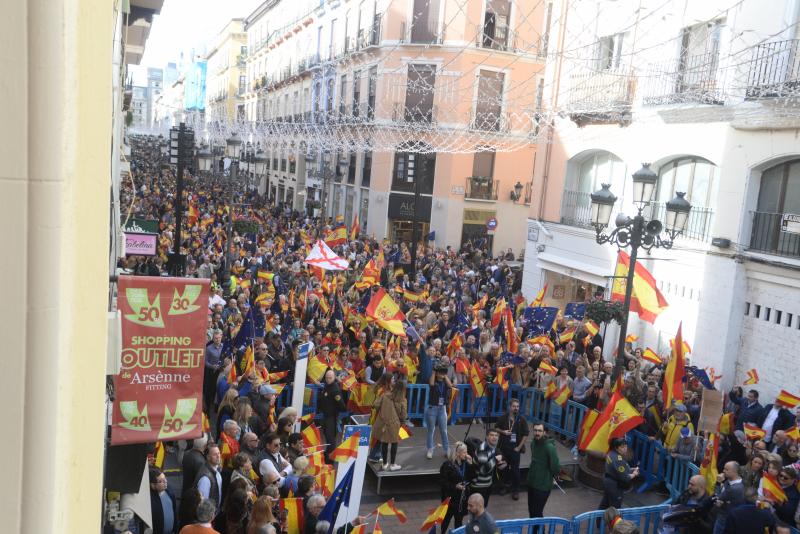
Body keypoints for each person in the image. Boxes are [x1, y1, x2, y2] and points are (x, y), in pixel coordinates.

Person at [527, 423, 560, 527]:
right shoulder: (533, 443)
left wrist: (551, 477)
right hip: (532, 483)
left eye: (539, 431)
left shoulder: (549, 447)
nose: (537, 433)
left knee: (537, 513)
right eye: (535, 430)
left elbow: (555, 467)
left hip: (543, 486)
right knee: (532, 512)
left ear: (544, 432)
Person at [496, 397, 529, 499]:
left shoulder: (521, 419)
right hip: (504, 449)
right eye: (514, 406)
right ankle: (504, 487)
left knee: (515, 471)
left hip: (515, 449)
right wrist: (503, 432)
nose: (516, 408)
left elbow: (526, 434)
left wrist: (519, 448)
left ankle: (516, 490)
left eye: (517, 406)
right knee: (503, 469)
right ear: (509, 407)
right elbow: (496, 427)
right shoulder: (503, 417)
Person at [371, 379, 407, 471]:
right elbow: (403, 415)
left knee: (384, 443)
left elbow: (375, 404)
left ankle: (384, 463)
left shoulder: (385, 395)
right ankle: (393, 464)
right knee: (394, 443)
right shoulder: (403, 400)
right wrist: (403, 423)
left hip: (383, 423)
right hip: (395, 424)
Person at [440, 442, 474, 533]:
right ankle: (442, 532)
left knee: (459, 520)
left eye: (467, 452)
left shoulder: (466, 463)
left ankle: (457, 532)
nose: (466, 455)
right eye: (464, 452)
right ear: (458, 453)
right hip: (450, 499)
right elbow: (443, 482)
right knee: (446, 519)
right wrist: (455, 486)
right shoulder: (448, 465)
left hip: (461, 499)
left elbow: (472, 477)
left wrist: (471, 464)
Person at [599, 438, 639, 511]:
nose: (625, 449)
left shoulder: (611, 453)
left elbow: (619, 469)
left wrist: (631, 469)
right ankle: (612, 522)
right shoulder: (618, 459)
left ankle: (598, 521)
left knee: (605, 503)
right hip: (614, 485)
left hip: (608, 481)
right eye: (622, 447)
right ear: (617, 448)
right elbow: (625, 477)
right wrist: (634, 474)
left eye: (626, 446)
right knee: (615, 507)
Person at [426, 361, 453, 459]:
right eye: (440, 372)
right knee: (431, 430)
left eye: (442, 372)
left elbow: (450, 385)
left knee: (444, 430)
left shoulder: (445, 382)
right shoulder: (434, 380)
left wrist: (444, 374)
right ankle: (430, 449)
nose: (441, 374)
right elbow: (431, 383)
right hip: (432, 408)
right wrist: (434, 371)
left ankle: (447, 450)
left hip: (442, 409)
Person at [317, 369, 346, 460]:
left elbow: (341, 405)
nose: (328, 379)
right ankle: (328, 452)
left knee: (330, 437)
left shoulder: (335, 389)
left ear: (334, 378)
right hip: (326, 415)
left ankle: (331, 456)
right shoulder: (327, 386)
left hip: (331, 416)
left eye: (330, 378)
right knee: (326, 433)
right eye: (326, 378)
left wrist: (336, 411)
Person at [472, 428, 505, 507]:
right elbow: (484, 470)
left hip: (487, 483)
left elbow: (492, 464)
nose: (494, 437)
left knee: (483, 508)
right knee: (478, 509)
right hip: (479, 486)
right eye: (492, 435)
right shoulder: (483, 449)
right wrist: (496, 460)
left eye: (496, 435)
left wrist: (501, 463)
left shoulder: (493, 448)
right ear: (487, 437)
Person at [712, 461, 745, 534]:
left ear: (734, 472)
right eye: (724, 469)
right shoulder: (730, 480)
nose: (723, 471)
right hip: (723, 516)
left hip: (725, 519)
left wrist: (718, 483)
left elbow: (715, 498)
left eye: (726, 469)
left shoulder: (734, 488)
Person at [195, 444, 224, 515]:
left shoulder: (216, 469)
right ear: (208, 457)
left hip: (213, 513)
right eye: (215, 454)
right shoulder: (205, 479)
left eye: (219, 453)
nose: (218, 456)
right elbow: (203, 503)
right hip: (208, 516)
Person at [149, 467, 177, 534]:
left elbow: (174, 512)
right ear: (152, 485)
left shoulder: (170, 493)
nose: (165, 482)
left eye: (165, 478)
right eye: (161, 481)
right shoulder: (149, 501)